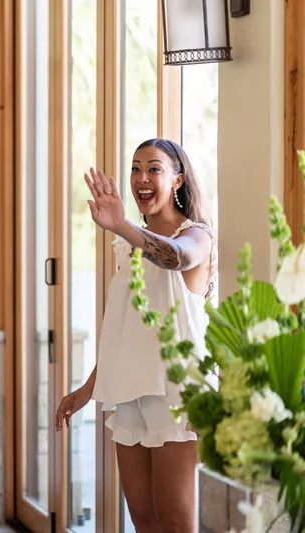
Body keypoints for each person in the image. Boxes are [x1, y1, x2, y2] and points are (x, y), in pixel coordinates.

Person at [55, 139, 216, 533]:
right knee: (144, 520)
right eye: (135, 168)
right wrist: (88, 388)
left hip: (177, 396)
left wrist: (123, 226)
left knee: (177, 522)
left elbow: (175, 256)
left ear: (178, 179)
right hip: (128, 393)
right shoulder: (124, 249)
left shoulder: (196, 236)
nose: (142, 179)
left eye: (154, 169)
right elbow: (122, 331)